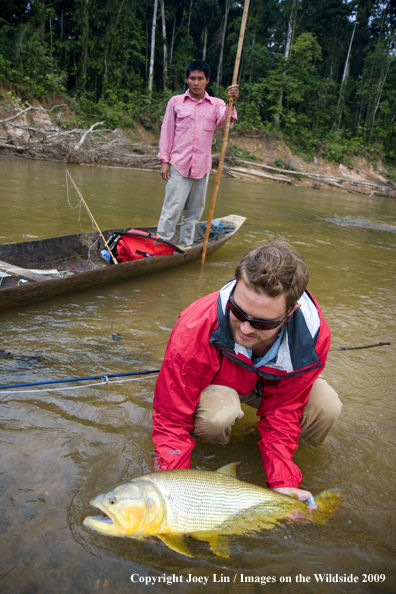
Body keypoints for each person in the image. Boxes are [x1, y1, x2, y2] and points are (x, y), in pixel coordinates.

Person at [152, 240, 342, 510]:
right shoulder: (195, 326)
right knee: (218, 418)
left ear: (290, 313)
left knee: (327, 407)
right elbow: (171, 419)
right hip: (224, 384)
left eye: (263, 322)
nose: (245, 329)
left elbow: (285, 409)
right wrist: (169, 493)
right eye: (238, 312)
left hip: (274, 385)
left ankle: (284, 459)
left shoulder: (313, 337)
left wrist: (283, 482)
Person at [156, 59, 239, 247]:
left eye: (200, 78)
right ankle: (161, 246)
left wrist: (231, 101)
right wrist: (164, 161)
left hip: (202, 168)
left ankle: (185, 246)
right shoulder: (176, 102)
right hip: (178, 165)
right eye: (192, 78)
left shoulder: (216, 104)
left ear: (207, 80)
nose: (196, 82)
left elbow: (225, 122)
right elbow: (166, 131)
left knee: (193, 214)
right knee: (171, 210)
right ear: (187, 80)